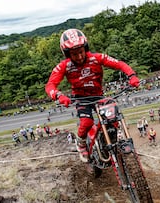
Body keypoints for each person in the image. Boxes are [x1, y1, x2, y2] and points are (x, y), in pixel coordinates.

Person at [45, 29, 140, 162]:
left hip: (98, 95)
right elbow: (50, 86)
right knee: (87, 122)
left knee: (113, 115)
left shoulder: (97, 58)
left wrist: (132, 75)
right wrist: (59, 96)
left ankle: (114, 137)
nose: (79, 57)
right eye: (74, 54)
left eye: (81, 52)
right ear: (67, 54)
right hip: (80, 98)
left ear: (86, 48)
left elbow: (119, 64)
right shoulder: (64, 66)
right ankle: (81, 143)